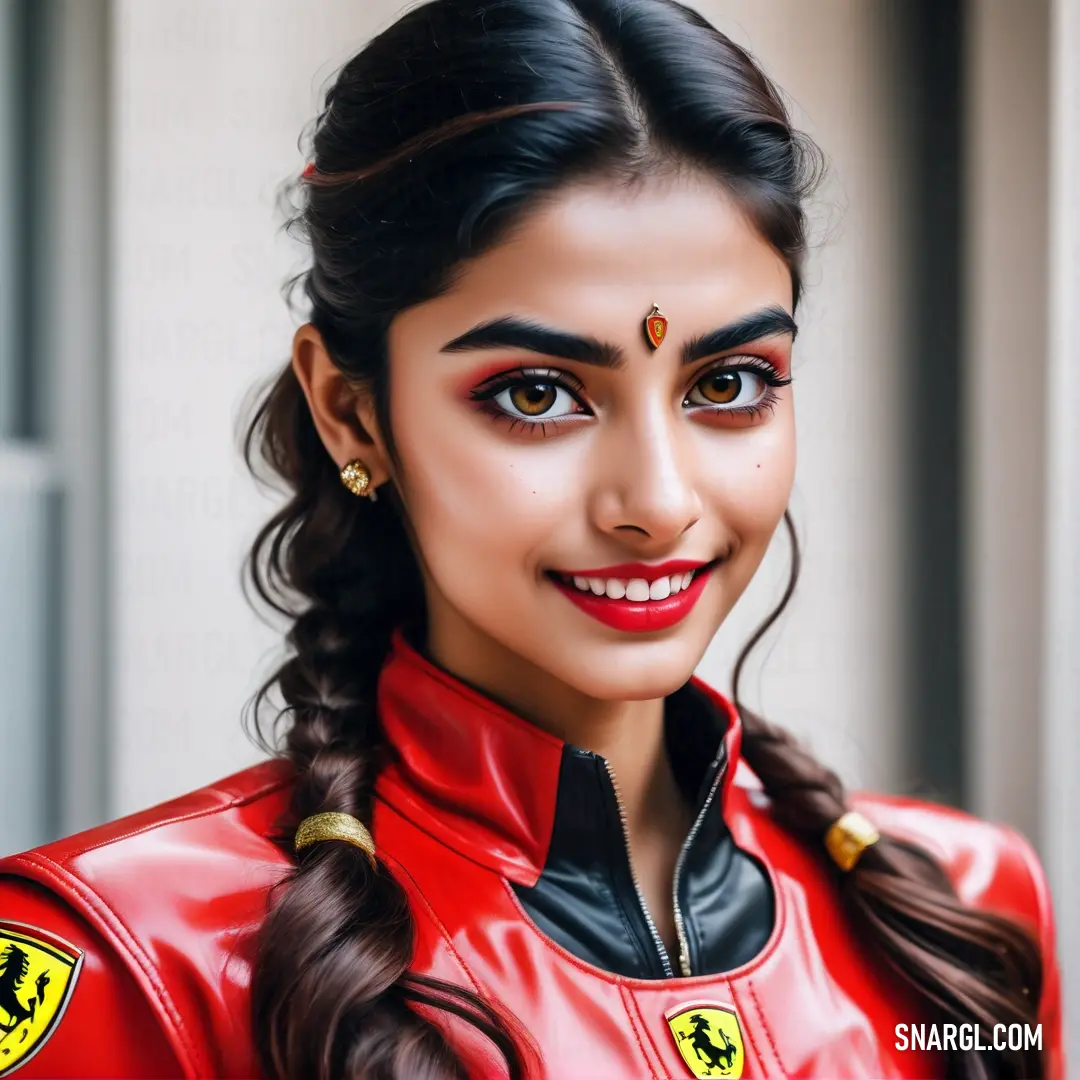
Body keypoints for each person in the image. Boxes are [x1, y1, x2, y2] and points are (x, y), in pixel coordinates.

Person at [0, 0, 1063, 1077]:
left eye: (729, 383)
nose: (656, 501)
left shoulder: (958, 921)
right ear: (350, 410)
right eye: (539, 393)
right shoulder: (131, 964)